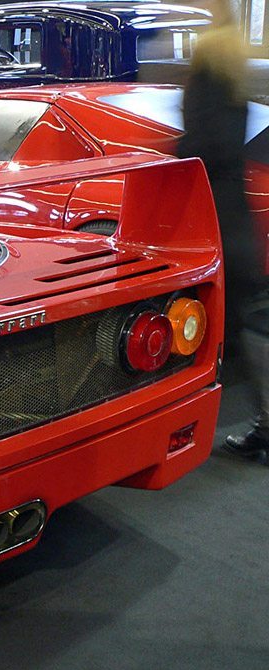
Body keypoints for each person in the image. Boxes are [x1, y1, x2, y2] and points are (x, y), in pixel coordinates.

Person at [177, 0, 269, 460]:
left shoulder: (205, 81)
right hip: (238, 213)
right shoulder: (236, 83)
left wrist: (174, 152)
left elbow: (198, 146)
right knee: (245, 328)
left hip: (212, 215)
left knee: (225, 328)